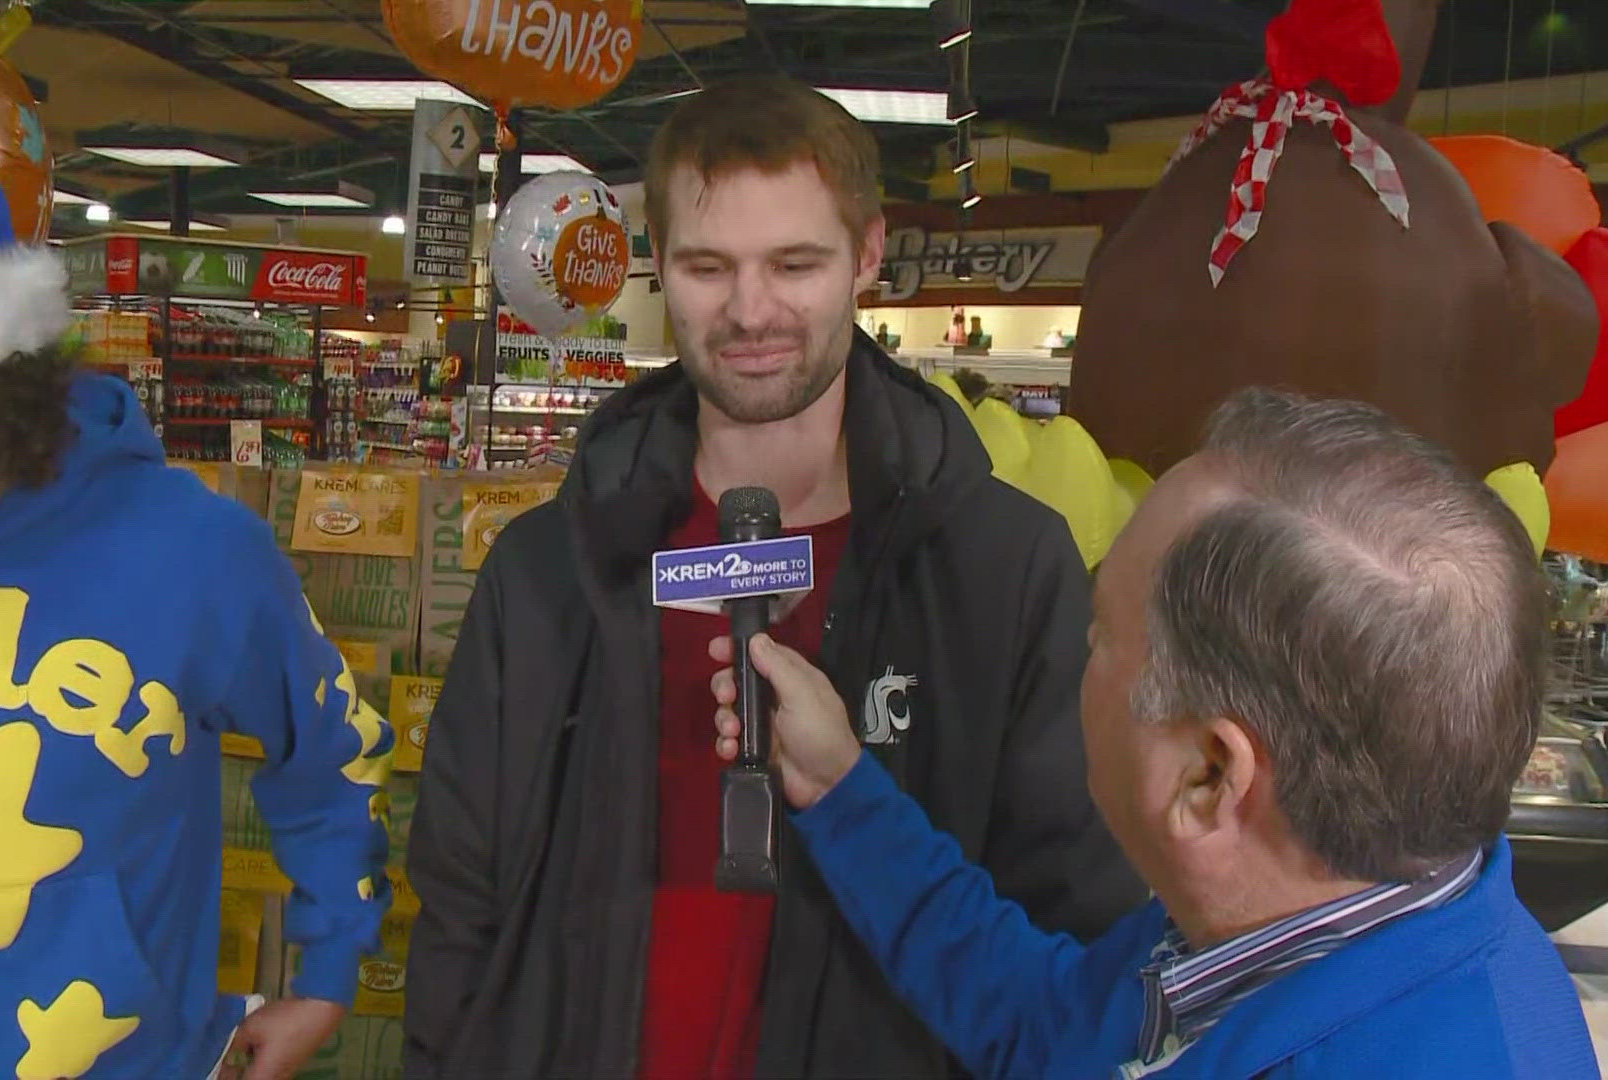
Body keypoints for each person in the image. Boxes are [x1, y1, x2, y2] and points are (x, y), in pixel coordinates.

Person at [405, 74, 1143, 1078]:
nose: (752, 311)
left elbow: (1076, 921)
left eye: (795, 263)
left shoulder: (1001, 574)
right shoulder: (548, 574)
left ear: (868, 256)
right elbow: (459, 901)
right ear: (659, 264)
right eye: (709, 267)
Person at [710, 389, 1601, 1079]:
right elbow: (1047, 1022)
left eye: (1099, 635)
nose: (1075, 656)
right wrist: (841, 788)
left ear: (1209, 775)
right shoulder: (1318, 924)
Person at [0, 177, 394, 1079]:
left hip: (119, 1056)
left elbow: (330, 749)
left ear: (13, 430)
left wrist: (327, 974)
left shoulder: (193, 548)